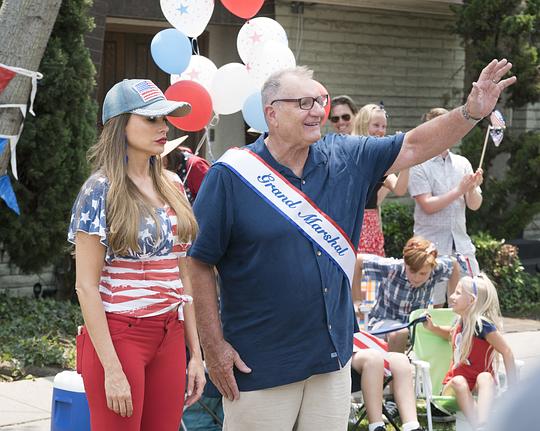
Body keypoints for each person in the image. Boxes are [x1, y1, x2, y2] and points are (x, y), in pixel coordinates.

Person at [187, 60, 515, 430]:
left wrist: (470, 112)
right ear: (271, 114)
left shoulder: (347, 156)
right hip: (261, 364)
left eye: (320, 101)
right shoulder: (231, 176)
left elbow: (414, 144)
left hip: (331, 361)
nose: (317, 111)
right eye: (304, 103)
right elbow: (198, 262)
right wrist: (212, 346)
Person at [68, 79, 205, 430]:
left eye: (165, 119)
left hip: (170, 334)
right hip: (120, 336)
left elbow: (182, 273)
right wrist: (112, 369)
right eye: (151, 119)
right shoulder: (99, 190)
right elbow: (86, 286)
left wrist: (195, 354)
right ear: (120, 125)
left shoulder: (173, 185)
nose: (163, 127)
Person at [409, 107, 484, 307]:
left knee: (470, 302)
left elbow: (474, 205)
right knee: (433, 305)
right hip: (430, 247)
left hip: (461, 245)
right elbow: (427, 205)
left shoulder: (462, 163)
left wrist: (472, 188)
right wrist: (460, 189)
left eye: (450, 127)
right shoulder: (419, 164)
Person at [423, 274, 516, 430]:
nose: (451, 296)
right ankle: (482, 425)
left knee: (485, 376)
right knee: (459, 381)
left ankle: (482, 425)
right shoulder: (459, 322)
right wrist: (434, 328)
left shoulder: (482, 326)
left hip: (479, 386)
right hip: (453, 387)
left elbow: (507, 351)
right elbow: (451, 334)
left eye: (458, 293)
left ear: (472, 301)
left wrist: (513, 388)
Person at [358, 236, 460, 352]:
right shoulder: (392, 268)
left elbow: (454, 265)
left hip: (416, 323)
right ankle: (396, 363)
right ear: (405, 263)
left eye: (423, 273)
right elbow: (358, 261)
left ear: (432, 268)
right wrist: (356, 300)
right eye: (412, 271)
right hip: (382, 323)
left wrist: (453, 303)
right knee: (400, 332)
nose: (417, 278)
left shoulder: (435, 269)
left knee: (447, 331)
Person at [353, 103, 409, 256]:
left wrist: (406, 163)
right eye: (376, 125)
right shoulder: (350, 154)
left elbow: (399, 189)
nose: (381, 130)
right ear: (363, 125)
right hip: (351, 221)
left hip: (371, 223)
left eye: (384, 126)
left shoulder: (381, 160)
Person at [351, 347, 423, 431]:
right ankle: (376, 427)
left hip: (364, 349)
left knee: (401, 360)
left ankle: (412, 427)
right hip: (343, 359)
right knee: (373, 358)